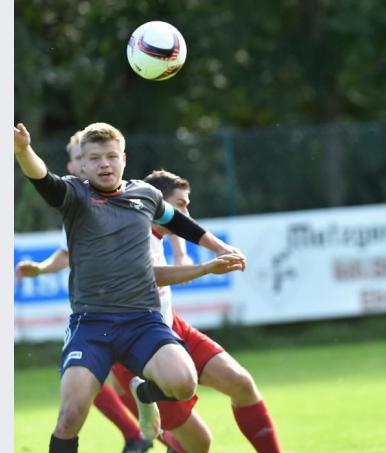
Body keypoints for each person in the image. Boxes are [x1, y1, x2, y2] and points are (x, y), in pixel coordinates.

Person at [13, 121, 245, 453]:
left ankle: (144, 394)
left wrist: (219, 247)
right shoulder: (75, 194)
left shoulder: (145, 194)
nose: (104, 164)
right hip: (91, 324)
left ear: (123, 158)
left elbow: (180, 222)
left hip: (142, 321)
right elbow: (42, 179)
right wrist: (23, 151)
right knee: (70, 416)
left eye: (111, 156)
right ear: (83, 164)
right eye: (95, 158)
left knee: (184, 383)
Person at [107, 170, 281, 453]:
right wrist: (204, 268)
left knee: (241, 384)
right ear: (158, 204)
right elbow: (150, 275)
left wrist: (182, 253)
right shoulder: (134, 233)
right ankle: (145, 397)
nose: (186, 213)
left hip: (171, 328)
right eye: (181, 204)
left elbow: (173, 227)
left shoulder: (156, 228)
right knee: (199, 443)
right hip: (139, 350)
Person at [14, 130, 156, 453]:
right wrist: (40, 269)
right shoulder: (76, 200)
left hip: (136, 314)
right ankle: (139, 434)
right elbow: (65, 254)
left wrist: (187, 256)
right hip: (96, 315)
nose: (94, 164)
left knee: (147, 385)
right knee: (87, 390)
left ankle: (151, 435)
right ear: (74, 165)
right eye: (83, 159)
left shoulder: (129, 199)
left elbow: (169, 218)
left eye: (105, 157)